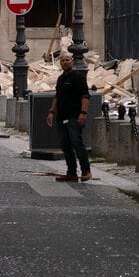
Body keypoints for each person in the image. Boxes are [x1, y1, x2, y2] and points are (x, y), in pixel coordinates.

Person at [46, 51, 91, 182]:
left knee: (77, 143)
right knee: (65, 145)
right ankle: (71, 172)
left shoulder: (78, 77)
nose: (65, 62)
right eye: (62, 61)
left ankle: (86, 171)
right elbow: (57, 96)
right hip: (61, 116)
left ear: (72, 61)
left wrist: (83, 113)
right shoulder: (61, 79)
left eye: (67, 60)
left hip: (74, 116)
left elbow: (85, 96)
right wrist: (51, 112)